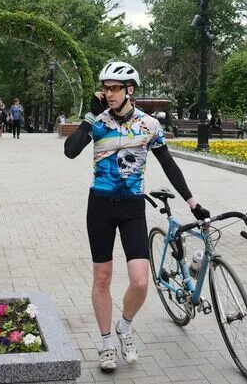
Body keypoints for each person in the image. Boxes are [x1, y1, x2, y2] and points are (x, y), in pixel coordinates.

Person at [64, 61, 210, 373]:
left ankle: (124, 326)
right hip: (100, 206)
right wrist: (89, 118)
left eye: (115, 87)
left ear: (130, 90)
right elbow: (70, 150)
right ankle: (105, 344)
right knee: (102, 277)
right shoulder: (98, 121)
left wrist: (192, 201)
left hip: (132, 207)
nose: (109, 93)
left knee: (141, 282)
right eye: (106, 87)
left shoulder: (149, 125)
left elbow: (169, 165)